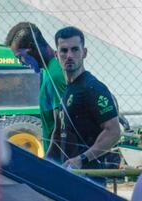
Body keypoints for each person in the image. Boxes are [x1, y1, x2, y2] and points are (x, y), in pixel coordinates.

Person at [46, 26, 121, 185]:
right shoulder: (69, 90)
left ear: (84, 52)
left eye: (75, 50)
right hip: (69, 178)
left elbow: (113, 131)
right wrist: (45, 164)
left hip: (89, 180)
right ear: (56, 55)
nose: (69, 56)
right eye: (64, 51)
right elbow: (58, 135)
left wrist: (81, 159)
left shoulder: (92, 88)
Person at [5, 22, 66, 153]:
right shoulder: (49, 71)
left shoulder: (55, 76)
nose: (21, 62)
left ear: (33, 48)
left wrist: (49, 163)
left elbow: (62, 130)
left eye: (21, 56)